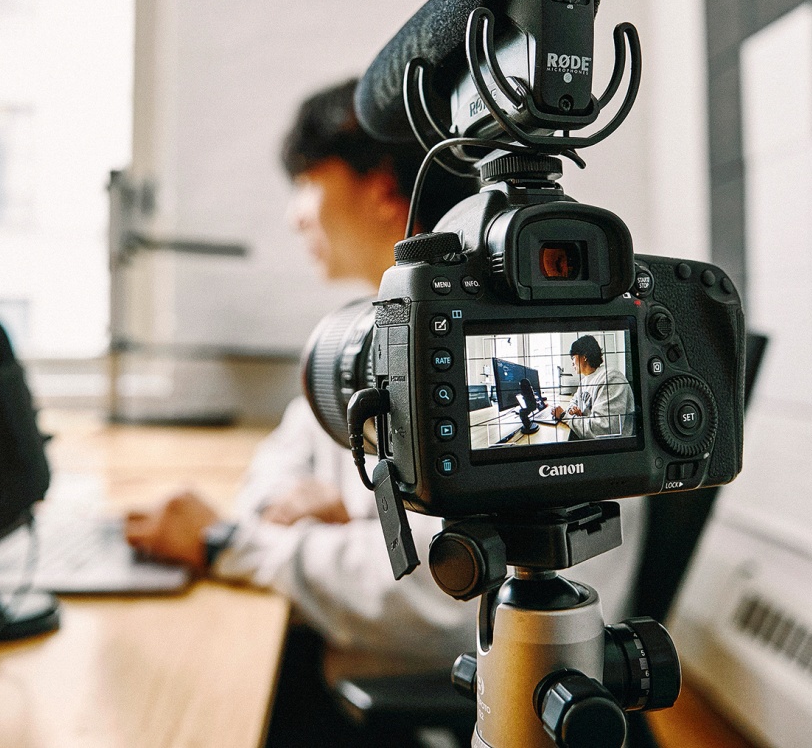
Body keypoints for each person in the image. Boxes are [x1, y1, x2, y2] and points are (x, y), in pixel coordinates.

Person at [125, 80, 646, 719]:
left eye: (308, 183)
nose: (295, 215)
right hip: (363, 644)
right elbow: (273, 473)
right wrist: (353, 508)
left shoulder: (485, 337)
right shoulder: (369, 334)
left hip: (462, 682)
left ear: (378, 188)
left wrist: (227, 543)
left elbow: (432, 599)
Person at [551, 334, 636, 440]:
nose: (572, 362)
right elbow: (574, 402)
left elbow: (604, 429)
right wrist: (574, 411)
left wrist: (565, 416)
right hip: (590, 438)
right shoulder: (585, 381)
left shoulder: (610, 378)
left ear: (584, 356)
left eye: (573, 357)